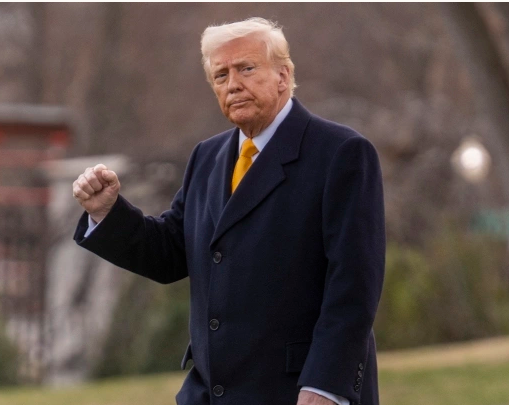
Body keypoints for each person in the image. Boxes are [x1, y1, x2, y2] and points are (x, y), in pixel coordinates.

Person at [73, 17, 385, 405]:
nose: (233, 84)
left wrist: (326, 386)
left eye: (246, 69)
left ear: (283, 76)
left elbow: (355, 283)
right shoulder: (207, 156)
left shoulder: (341, 152)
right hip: (210, 393)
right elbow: (171, 253)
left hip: (298, 393)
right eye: (221, 75)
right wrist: (107, 212)